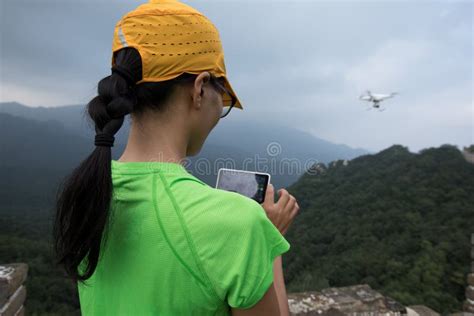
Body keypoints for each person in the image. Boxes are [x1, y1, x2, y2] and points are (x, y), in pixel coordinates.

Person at [53, 0, 300, 315]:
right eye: (221, 97)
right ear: (199, 89)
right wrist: (268, 244)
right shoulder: (239, 225)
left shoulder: (88, 196)